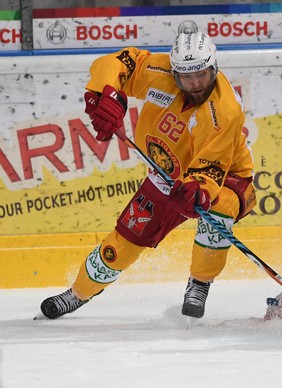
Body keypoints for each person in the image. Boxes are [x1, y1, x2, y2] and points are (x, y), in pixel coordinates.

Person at [38, 32, 256, 320]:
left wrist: (198, 188)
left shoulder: (225, 110)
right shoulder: (161, 71)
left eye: (202, 74)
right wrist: (104, 93)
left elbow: (210, 167)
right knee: (124, 242)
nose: (195, 84)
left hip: (224, 177)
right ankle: (78, 292)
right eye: (186, 76)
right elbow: (114, 62)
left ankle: (200, 283)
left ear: (213, 68)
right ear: (174, 71)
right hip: (166, 177)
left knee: (219, 210)